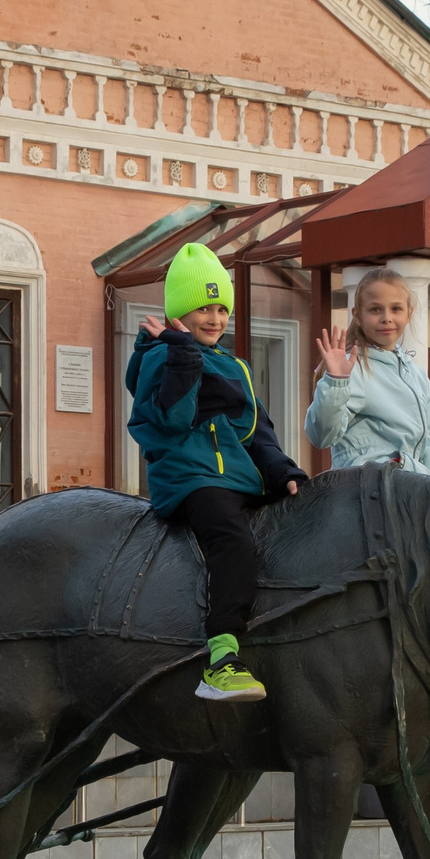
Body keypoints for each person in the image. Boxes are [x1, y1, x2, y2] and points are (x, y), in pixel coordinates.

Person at [127, 242, 309, 701]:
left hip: (236, 477)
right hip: (193, 477)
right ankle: (222, 658)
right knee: (231, 537)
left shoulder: (234, 366)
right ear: (179, 312)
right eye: (202, 307)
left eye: (221, 307)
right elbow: (172, 419)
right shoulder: (161, 358)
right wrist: (183, 354)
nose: (214, 317)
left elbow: (256, 432)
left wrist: (285, 473)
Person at [305, 265, 430, 475]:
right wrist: (336, 382)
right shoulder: (353, 368)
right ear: (358, 315)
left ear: (409, 313)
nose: (386, 318)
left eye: (396, 309)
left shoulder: (416, 376)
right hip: (366, 490)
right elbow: (322, 436)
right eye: (375, 309)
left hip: (411, 490)